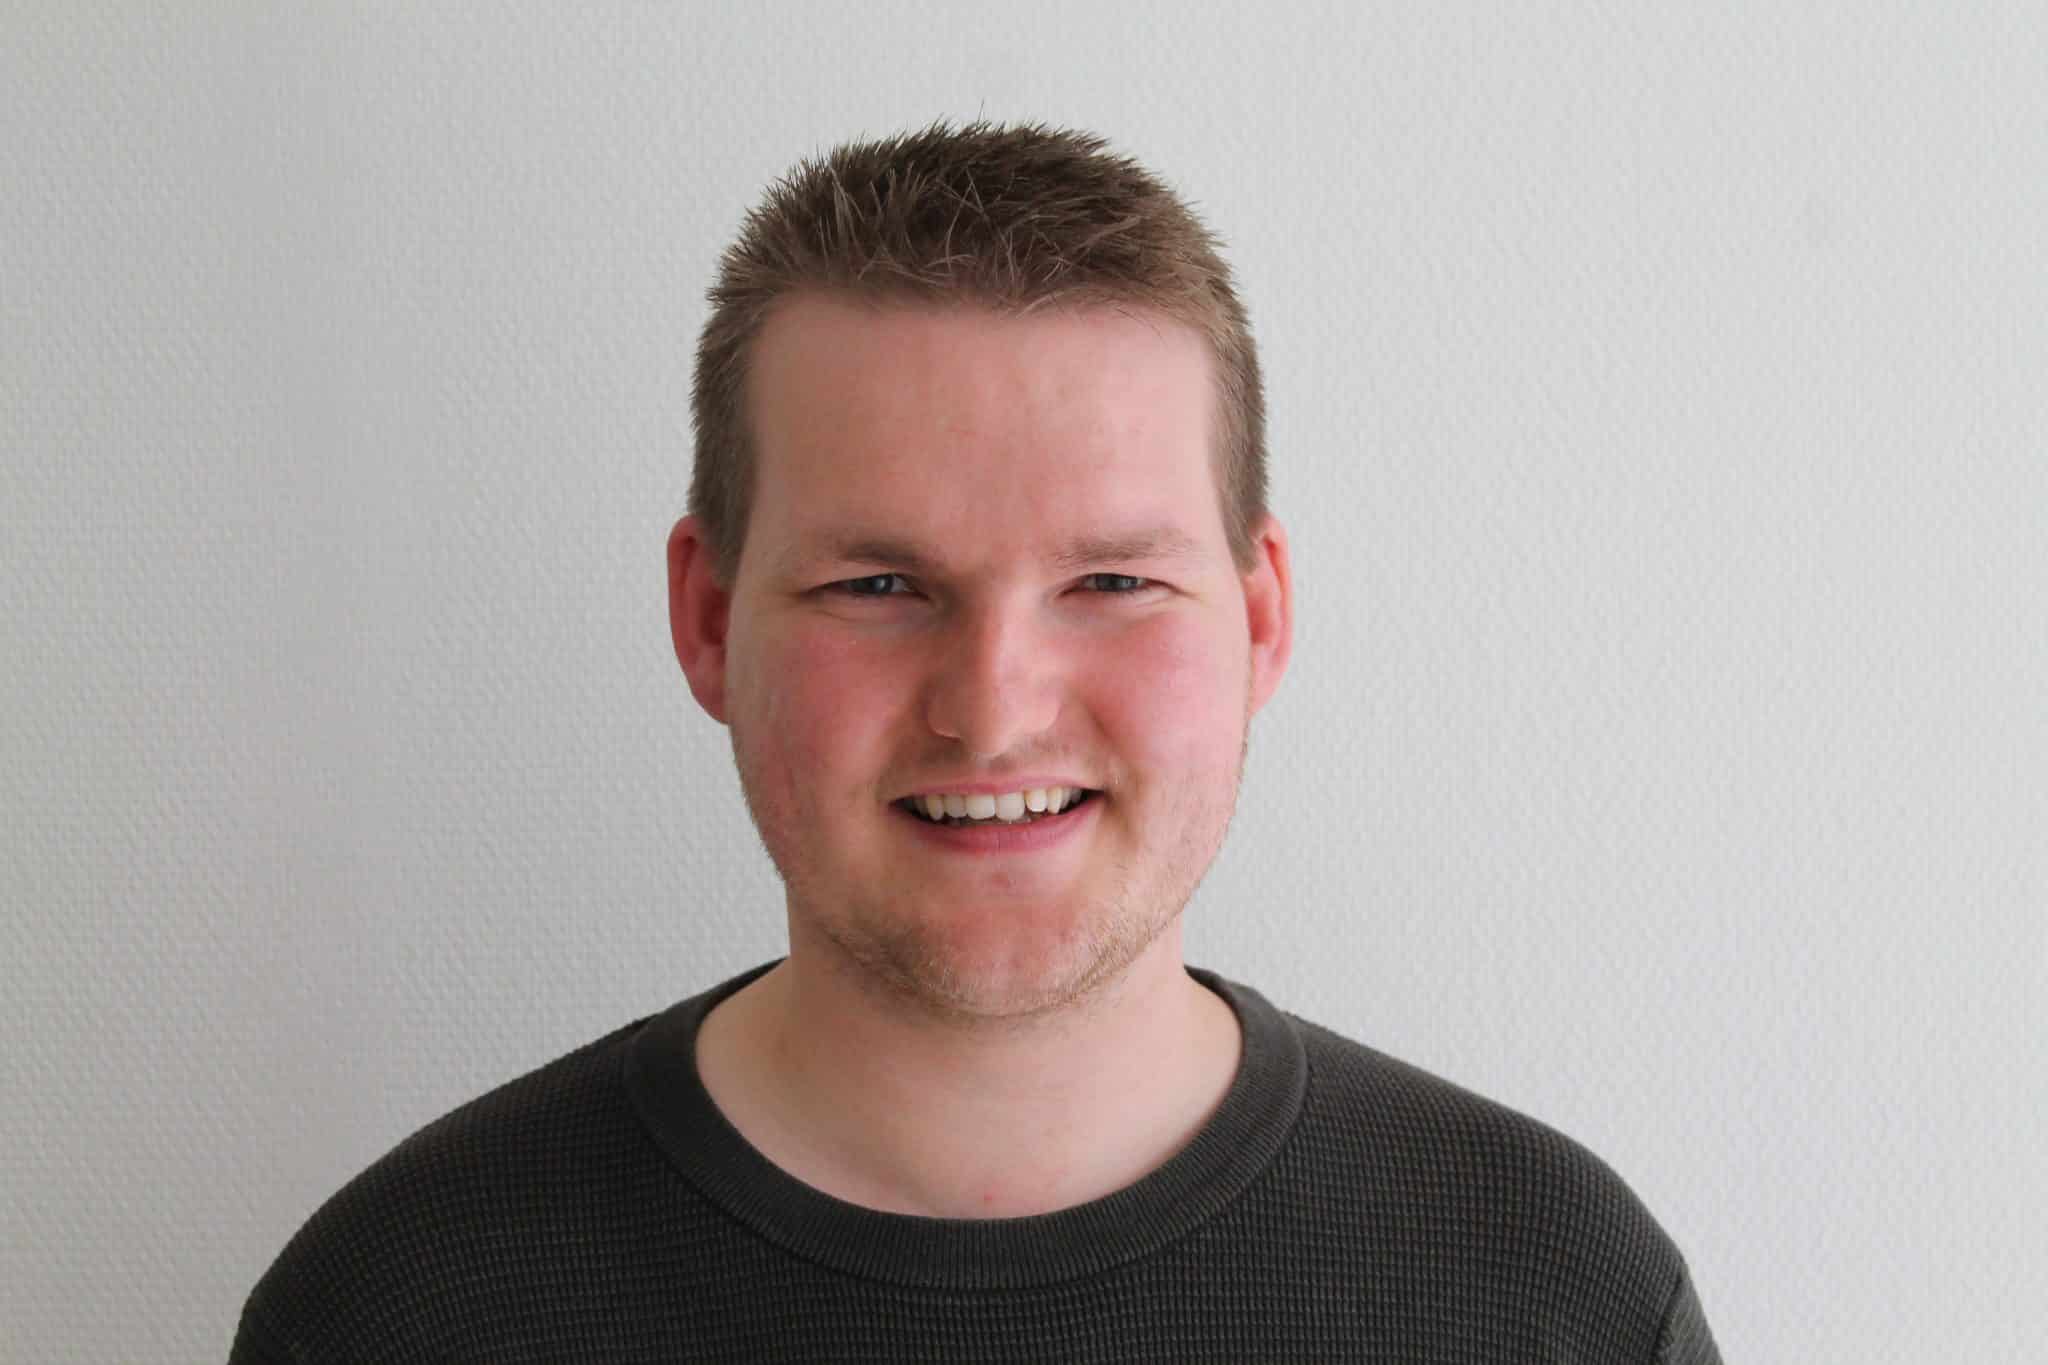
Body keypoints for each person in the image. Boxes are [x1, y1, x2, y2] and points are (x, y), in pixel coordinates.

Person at [232, 121, 1720, 1363]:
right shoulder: (401, 1311)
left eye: (1112, 582)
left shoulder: (1552, 1295)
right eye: (878, 586)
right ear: (708, 618)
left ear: (1261, 618)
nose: (995, 708)